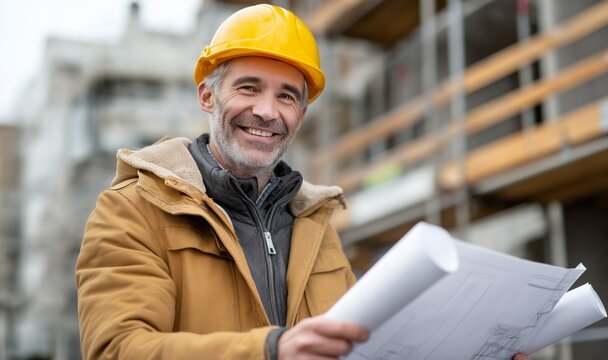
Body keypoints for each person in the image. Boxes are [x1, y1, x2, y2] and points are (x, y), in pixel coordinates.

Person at [75, 4, 530, 360]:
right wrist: (270, 352)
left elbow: (363, 347)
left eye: (287, 96)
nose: (268, 112)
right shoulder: (134, 209)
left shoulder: (315, 224)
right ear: (208, 96)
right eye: (249, 87)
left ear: (301, 115)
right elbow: (118, 350)